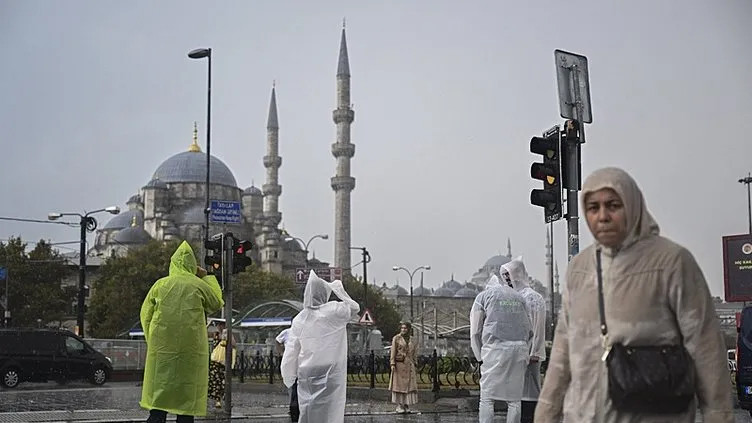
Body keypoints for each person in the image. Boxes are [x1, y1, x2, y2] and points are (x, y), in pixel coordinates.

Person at [535, 167, 734, 423]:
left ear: (632, 205)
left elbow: (706, 349)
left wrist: (719, 416)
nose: (603, 216)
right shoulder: (580, 268)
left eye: (613, 205)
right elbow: (563, 351)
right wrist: (546, 414)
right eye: (593, 208)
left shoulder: (671, 262)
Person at [139, 241, 224, 423]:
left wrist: (152, 340)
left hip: (162, 351)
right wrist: (206, 276)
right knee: (186, 405)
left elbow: (145, 315)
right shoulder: (198, 286)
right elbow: (217, 302)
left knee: (158, 403)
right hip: (191, 352)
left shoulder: (160, 285)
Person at [280, 271, 360, 423]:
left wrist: (288, 376)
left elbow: (292, 350)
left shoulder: (300, 319)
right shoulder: (334, 311)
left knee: (308, 410)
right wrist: (338, 289)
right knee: (330, 410)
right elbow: (354, 308)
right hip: (330, 371)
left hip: (307, 371)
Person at [471, 274, 531, 423]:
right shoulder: (519, 298)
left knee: (487, 398)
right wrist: (526, 352)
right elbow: (530, 331)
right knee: (514, 399)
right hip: (519, 350)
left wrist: (479, 358)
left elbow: (475, 332)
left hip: (494, 350)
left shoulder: (483, 297)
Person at [500, 257, 546, 423]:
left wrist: (534, 351)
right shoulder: (509, 297)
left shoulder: (533, 297)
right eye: (504, 275)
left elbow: (538, 326)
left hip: (529, 353)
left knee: (530, 390)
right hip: (514, 351)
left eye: (508, 274)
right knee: (515, 392)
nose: (506, 278)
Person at [389, 322, 419, 413]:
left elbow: (415, 352)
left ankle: (406, 405)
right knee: (399, 386)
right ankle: (399, 405)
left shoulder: (413, 340)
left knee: (409, 386)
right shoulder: (396, 338)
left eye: (405, 328)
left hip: (409, 365)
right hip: (400, 365)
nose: (403, 330)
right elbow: (393, 351)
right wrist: (392, 363)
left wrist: (415, 362)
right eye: (402, 328)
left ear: (409, 329)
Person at [208, 321, 236, 409]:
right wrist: (207, 325)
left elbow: (234, 344)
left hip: (224, 362)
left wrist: (228, 334)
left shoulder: (228, 334)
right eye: (218, 325)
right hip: (215, 361)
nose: (220, 327)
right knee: (216, 381)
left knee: (224, 381)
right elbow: (205, 334)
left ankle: (226, 400)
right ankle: (217, 400)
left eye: (222, 325)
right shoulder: (215, 334)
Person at [276, 327, 299, 422]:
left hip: (301, 362)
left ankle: (295, 407)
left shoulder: (305, 331)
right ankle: (294, 407)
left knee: (296, 386)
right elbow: (277, 340)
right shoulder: (287, 332)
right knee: (292, 385)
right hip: (290, 362)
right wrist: (281, 353)